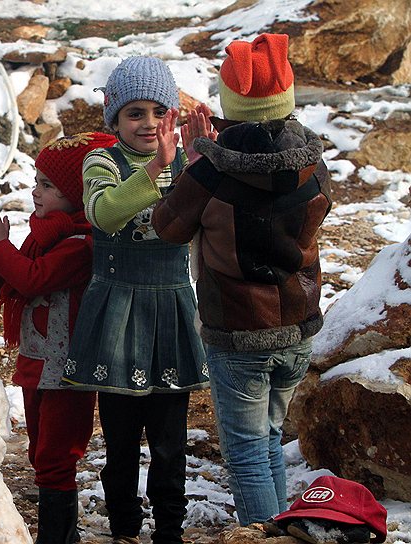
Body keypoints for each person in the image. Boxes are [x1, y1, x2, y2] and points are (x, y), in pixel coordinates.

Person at [152, 33, 332, 526]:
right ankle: (281, 532)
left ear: (231, 105)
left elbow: (166, 228)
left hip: (239, 334)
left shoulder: (212, 173)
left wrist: (190, 164)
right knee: (270, 438)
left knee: (249, 452)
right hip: (299, 327)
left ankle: (266, 538)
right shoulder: (311, 165)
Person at [60, 56, 212, 544]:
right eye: (135, 113)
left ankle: (170, 529)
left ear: (172, 115)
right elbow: (104, 213)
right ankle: (124, 526)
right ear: (115, 119)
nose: (148, 124)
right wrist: (157, 167)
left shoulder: (188, 161)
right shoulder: (101, 161)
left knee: (170, 441)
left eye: (158, 112)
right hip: (117, 311)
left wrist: (208, 160)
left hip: (170, 308)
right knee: (121, 437)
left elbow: (214, 212)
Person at [0, 132, 115, 544]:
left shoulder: (81, 244)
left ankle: (57, 537)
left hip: (68, 370)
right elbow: (10, 287)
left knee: (56, 457)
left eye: (48, 186)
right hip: (37, 365)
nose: (36, 193)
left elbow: (32, 278)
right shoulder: (44, 235)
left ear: (78, 193)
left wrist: (0, 247)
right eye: (36, 182)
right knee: (40, 453)